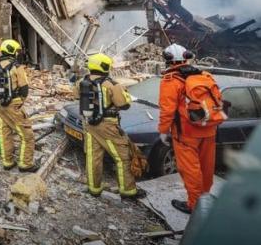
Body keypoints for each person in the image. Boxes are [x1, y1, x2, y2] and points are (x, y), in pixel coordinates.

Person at [158, 43, 217, 214]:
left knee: (190, 170)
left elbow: (167, 110)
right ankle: (204, 198)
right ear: (186, 57)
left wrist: (163, 131)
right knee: (206, 167)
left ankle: (194, 205)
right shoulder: (205, 75)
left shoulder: (171, 80)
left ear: (168, 59)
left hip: (186, 133)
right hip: (209, 128)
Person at [80, 53, 146, 199]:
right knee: (122, 157)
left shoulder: (82, 81)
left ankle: (94, 189)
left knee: (93, 157)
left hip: (89, 124)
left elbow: (76, 96)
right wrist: (126, 95)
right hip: (108, 125)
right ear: (104, 66)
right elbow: (124, 105)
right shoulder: (111, 84)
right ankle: (128, 191)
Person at [0, 39, 39, 172]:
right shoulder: (17, 67)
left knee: (5, 133)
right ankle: (26, 164)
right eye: (16, 51)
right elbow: (24, 88)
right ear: (12, 51)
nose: (18, 54)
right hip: (13, 104)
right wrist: (20, 102)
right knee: (27, 135)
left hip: (0, 104)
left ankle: (7, 162)